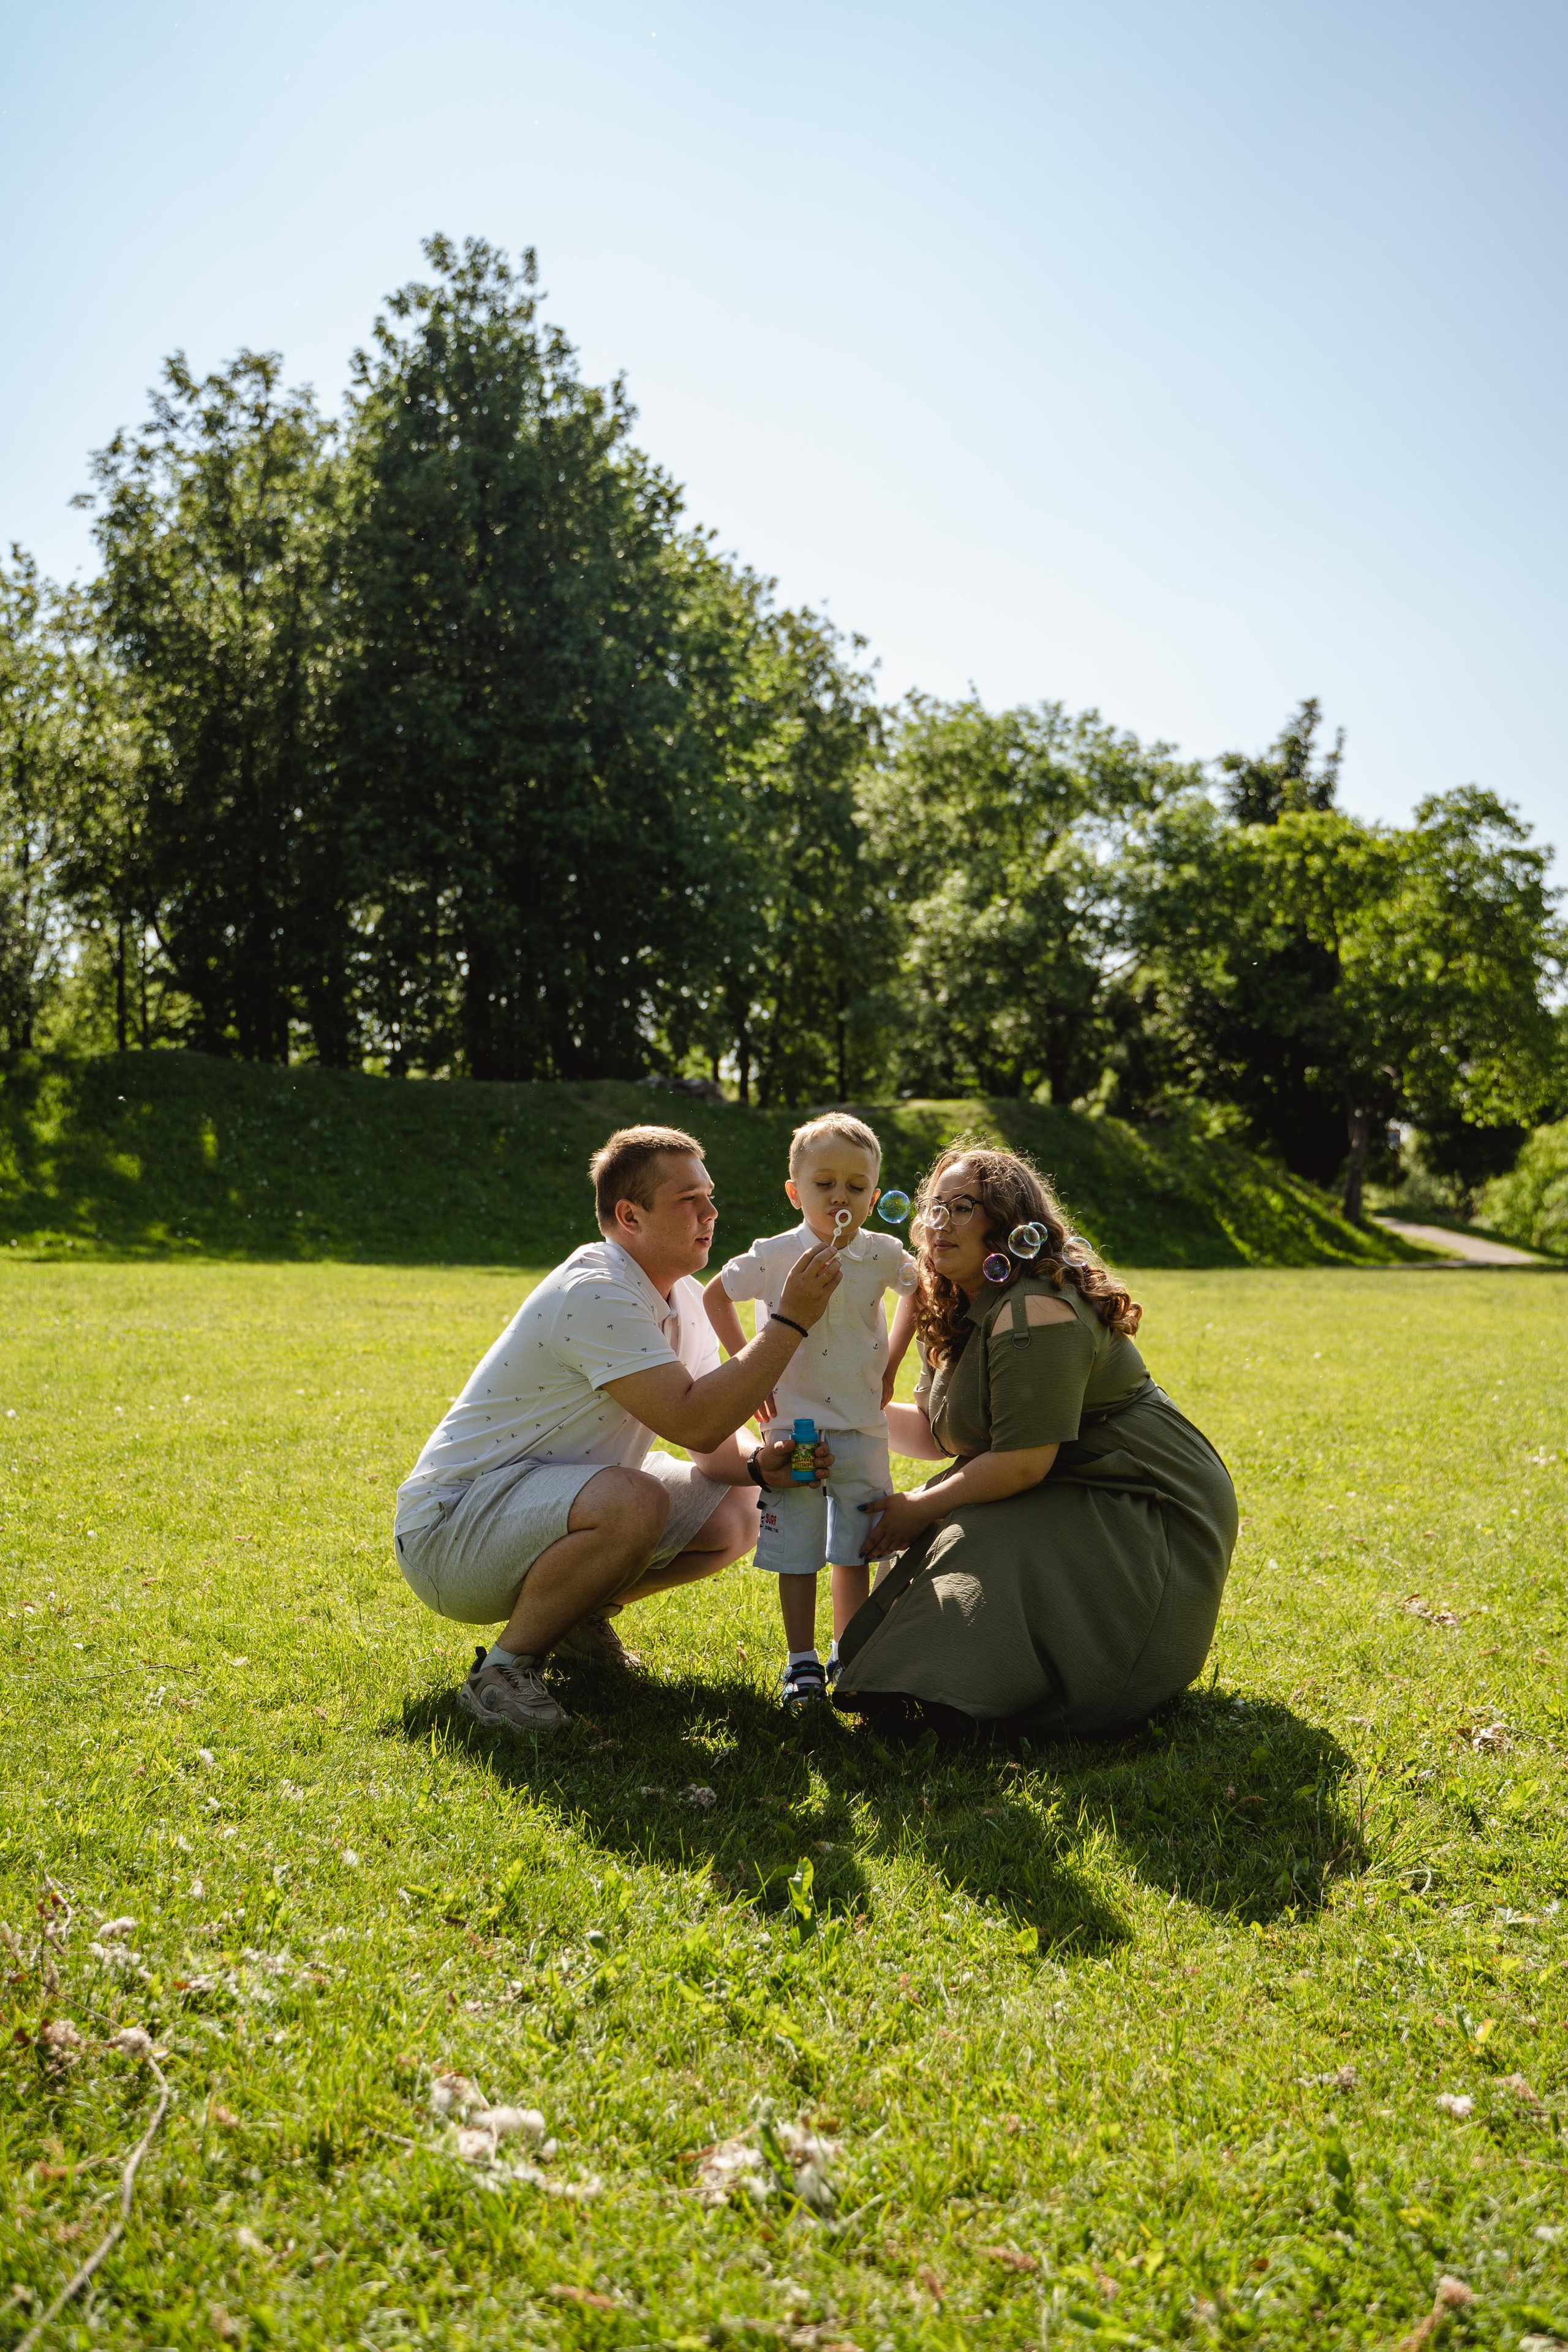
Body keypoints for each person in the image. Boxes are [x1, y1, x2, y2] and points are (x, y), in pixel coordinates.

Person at [393, 1123, 842, 1735]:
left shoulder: (681, 1295)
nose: (711, 1212)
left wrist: (761, 1466)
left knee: (737, 1503)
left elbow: (709, 1447)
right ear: (630, 1216)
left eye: (709, 1196)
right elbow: (693, 1416)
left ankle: (574, 1618)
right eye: (690, 1201)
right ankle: (501, 1673)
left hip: (538, 1499)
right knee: (636, 1500)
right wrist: (789, 1320)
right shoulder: (596, 1288)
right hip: (450, 1532)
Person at [832, 1147, 1238, 1735]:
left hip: (1145, 1503)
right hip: (1064, 1479)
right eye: (933, 1208)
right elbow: (937, 1435)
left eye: (962, 1208)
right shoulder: (956, 1299)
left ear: (1006, 1222)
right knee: (957, 1525)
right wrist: (842, 1415)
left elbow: (1022, 1463)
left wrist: (918, 1507)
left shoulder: (1038, 1308)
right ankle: (926, 1681)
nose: (938, 1224)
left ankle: (1019, 1686)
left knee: (967, 1534)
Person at [704, 1114, 919, 1709]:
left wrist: (892, 1362)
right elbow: (715, 1294)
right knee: (797, 1547)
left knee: (859, 1547)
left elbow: (921, 1292)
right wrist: (747, 1367)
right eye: (824, 1184)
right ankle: (801, 1664)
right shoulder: (775, 1255)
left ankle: (849, 1656)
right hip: (793, 1429)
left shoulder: (882, 1253)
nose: (839, 1197)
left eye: (855, 1186)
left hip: (861, 1427)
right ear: (795, 1192)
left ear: (875, 1199)